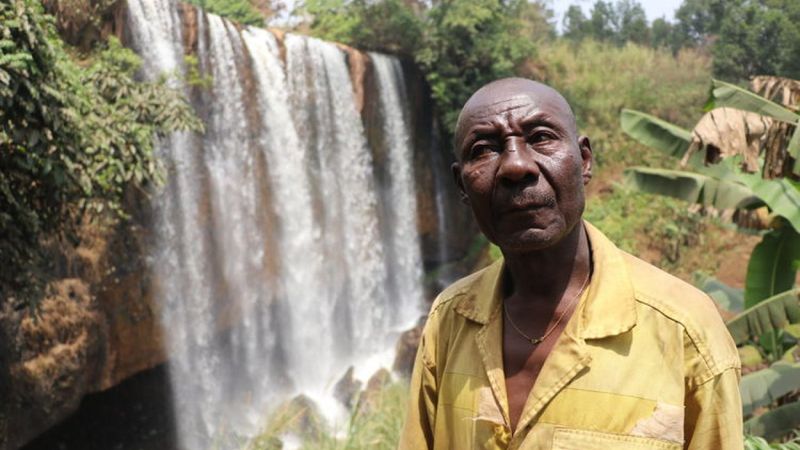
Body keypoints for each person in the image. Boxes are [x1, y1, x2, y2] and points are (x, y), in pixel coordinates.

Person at [398, 78, 742, 450]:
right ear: (462, 186)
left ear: (585, 160)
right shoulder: (450, 319)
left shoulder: (683, 329)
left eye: (541, 137)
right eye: (484, 149)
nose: (516, 165)